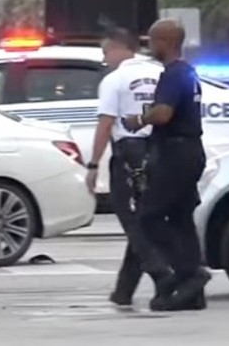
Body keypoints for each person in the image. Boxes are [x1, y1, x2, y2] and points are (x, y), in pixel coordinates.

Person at [123, 18, 210, 312]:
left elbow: (163, 114)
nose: (150, 46)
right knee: (181, 218)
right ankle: (192, 292)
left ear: (166, 42)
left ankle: (190, 273)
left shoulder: (174, 75)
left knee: (149, 216)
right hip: (189, 152)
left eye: (152, 41)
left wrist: (138, 120)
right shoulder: (187, 73)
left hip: (176, 154)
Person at [85, 28, 168, 307]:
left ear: (120, 49)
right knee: (144, 219)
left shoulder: (115, 79)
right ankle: (124, 291)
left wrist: (94, 164)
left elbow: (106, 123)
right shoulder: (160, 73)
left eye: (106, 52)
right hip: (160, 151)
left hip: (129, 154)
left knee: (131, 219)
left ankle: (161, 274)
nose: (105, 58)